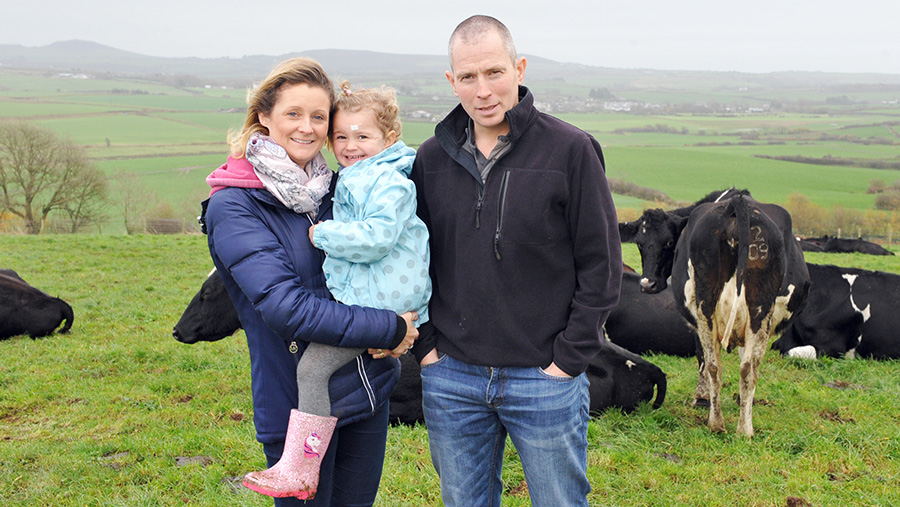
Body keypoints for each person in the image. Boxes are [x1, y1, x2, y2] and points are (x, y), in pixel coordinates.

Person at [409, 15, 622, 507]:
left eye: (494, 73)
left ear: (519, 68)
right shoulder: (430, 160)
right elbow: (413, 261)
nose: (483, 90)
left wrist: (567, 361)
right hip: (453, 376)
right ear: (451, 81)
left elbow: (602, 265)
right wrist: (428, 351)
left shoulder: (571, 150)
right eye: (467, 77)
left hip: (542, 377)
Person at [202, 57, 418, 507]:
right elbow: (287, 308)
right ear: (264, 116)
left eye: (319, 117)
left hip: (367, 388)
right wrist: (391, 328)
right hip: (298, 405)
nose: (307, 128)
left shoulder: (336, 189)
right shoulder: (236, 206)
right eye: (293, 114)